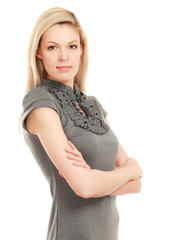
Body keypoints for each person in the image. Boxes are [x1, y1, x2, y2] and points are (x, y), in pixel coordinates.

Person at [21, 7, 142, 240]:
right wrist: (125, 171)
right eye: (53, 47)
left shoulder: (93, 105)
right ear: (39, 52)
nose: (64, 57)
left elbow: (136, 184)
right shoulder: (40, 102)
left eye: (72, 46)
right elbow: (85, 188)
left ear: (81, 50)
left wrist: (94, 178)